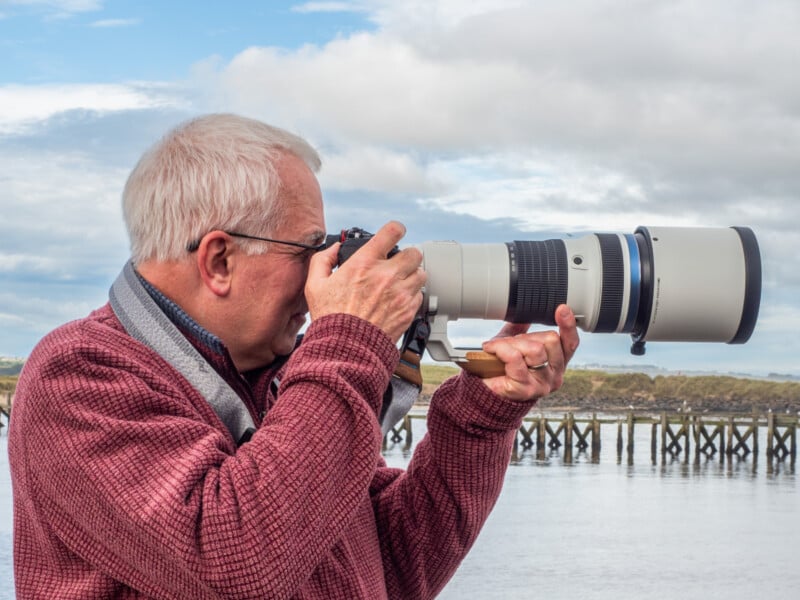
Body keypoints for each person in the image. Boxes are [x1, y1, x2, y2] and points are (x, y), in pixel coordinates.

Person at [9, 113, 579, 599]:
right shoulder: (80, 377)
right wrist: (348, 340)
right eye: (309, 248)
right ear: (219, 261)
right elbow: (239, 560)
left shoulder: (275, 380)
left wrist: (479, 418)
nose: (322, 273)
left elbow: (394, 568)